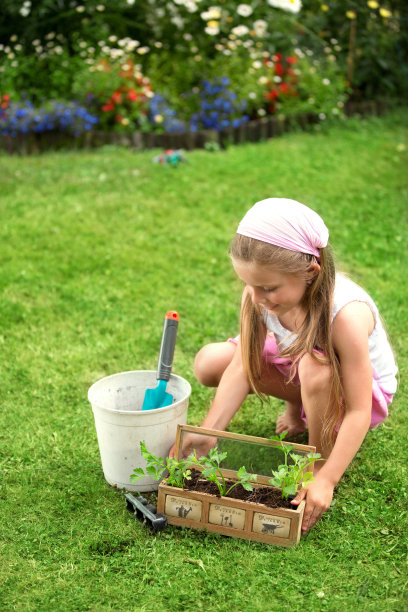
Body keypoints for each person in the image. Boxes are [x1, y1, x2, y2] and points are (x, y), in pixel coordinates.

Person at [170, 198, 397, 534]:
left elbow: (360, 410)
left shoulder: (345, 315)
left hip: (356, 392)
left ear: (310, 272)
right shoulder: (258, 295)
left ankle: (317, 459)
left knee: (314, 367)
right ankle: (300, 406)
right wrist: (208, 433)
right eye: (248, 284)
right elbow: (242, 366)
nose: (257, 296)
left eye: (268, 288)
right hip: (302, 363)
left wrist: (327, 477)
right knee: (210, 362)